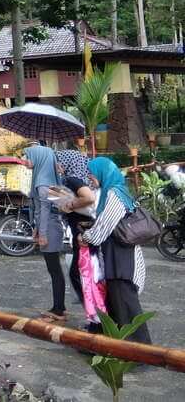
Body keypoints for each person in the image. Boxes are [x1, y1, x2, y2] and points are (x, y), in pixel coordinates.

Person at [81, 158, 152, 344]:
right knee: (116, 305)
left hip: (121, 259)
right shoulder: (113, 192)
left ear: (102, 173)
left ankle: (141, 352)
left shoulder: (113, 194)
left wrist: (87, 237)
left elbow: (105, 225)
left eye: (92, 172)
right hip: (117, 257)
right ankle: (116, 346)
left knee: (126, 306)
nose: (90, 176)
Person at [21, 141, 67, 322]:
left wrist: (43, 234)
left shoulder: (43, 185)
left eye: (28, 156)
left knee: (54, 269)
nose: (25, 160)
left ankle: (59, 310)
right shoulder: (50, 180)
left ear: (38, 157)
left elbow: (45, 211)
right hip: (51, 227)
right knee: (54, 269)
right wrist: (37, 229)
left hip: (51, 230)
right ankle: (58, 307)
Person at [54, 149, 99, 326]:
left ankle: (95, 318)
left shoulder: (73, 179)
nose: (57, 166)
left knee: (80, 275)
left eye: (58, 162)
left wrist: (69, 205)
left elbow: (88, 198)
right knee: (84, 275)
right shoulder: (83, 177)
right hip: (86, 231)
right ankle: (95, 317)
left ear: (66, 162)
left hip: (84, 234)